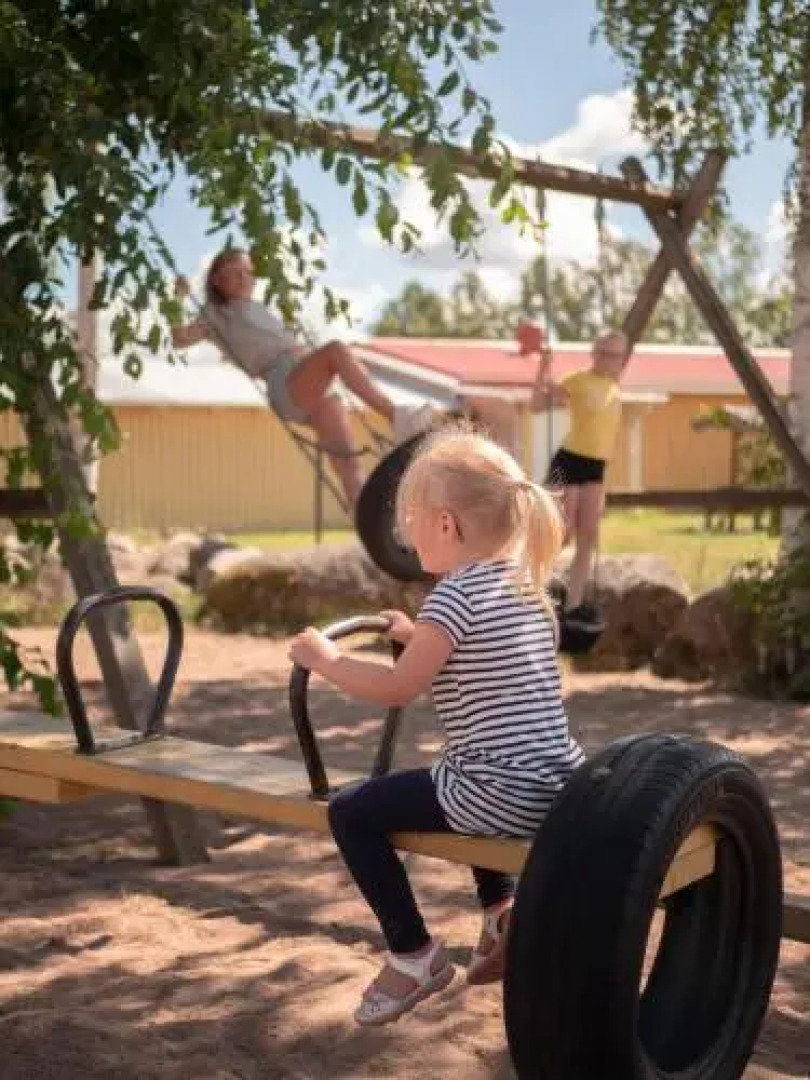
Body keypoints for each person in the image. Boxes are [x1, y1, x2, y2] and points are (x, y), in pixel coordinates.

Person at [288, 426, 585, 1026]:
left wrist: (327, 661)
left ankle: (413, 952)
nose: (405, 533)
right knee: (467, 767)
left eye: (411, 519)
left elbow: (398, 687)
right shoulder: (527, 588)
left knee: (352, 811)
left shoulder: (451, 598)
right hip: (558, 786)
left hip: (496, 791)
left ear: (446, 525)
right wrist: (412, 634)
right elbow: (480, 655)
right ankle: (499, 911)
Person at [170, 248, 433, 508]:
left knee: (348, 464)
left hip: (311, 379)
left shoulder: (262, 308)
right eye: (235, 272)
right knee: (336, 351)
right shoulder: (214, 315)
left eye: (248, 272)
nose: (244, 278)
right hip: (284, 380)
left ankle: (374, 532)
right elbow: (179, 339)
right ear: (216, 280)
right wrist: (178, 298)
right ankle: (397, 416)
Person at [528, 324, 630, 617]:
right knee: (562, 532)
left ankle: (572, 605)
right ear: (594, 354)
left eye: (618, 356)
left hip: (596, 468)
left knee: (589, 535)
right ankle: (535, 593)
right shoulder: (578, 380)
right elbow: (537, 404)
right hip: (570, 460)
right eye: (607, 354)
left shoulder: (614, 388)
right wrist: (543, 367)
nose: (612, 360)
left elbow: (605, 439)